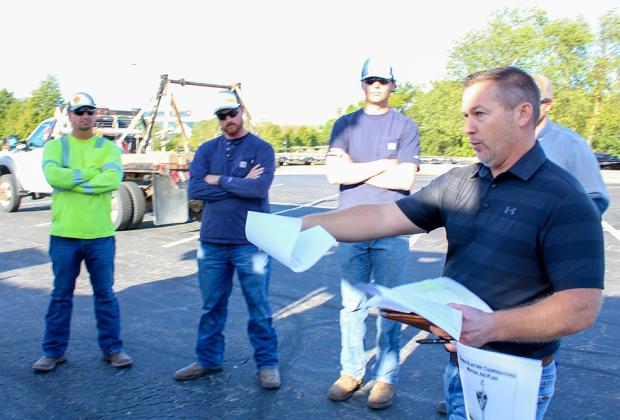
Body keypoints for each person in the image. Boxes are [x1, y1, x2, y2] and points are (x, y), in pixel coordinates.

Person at [302, 67, 604, 419]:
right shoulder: (460, 182)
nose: (467, 128)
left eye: (479, 114)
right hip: (460, 367)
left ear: (523, 113)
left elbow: (582, 306)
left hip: (513, 377)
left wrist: (491, 326)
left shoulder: (564, 198)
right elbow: (383, 217)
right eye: (466, 115)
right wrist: (305, 226)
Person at [324, 57, 420, 410]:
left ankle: (385, 377)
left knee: (391, 306)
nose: (376, 85)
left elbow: (405, 180)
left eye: (382, 80)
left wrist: (355, 171)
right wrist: (382, 166)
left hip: (391, 227)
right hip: (351, 228)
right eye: (370, 80)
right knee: (352, 306)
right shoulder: (345, 125)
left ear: (393, 84)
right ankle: (351, 371)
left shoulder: (405, 126)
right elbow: (335, 174)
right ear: (361, 84)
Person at [176, 90, 280, 389]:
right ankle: (208, 360)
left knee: (258, 308)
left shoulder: (262, 148)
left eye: (231, 113)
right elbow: (195, 189)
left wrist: (219, 179)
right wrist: (239, 183)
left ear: (241, 112)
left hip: (251, 241)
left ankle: (267, 364)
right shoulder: (207, 150)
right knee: (211, 306)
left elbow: (258, 189)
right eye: (222, 116)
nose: (228, 120)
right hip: (213, 242)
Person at [33, 92, 133, 372]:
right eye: (79, 112)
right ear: (70, 116)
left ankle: (113, 349)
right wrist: (92, 175)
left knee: (105, 294)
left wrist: (73, 180)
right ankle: (53, 352)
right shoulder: (56, 147)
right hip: (65, 235)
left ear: (95, 114)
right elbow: (53, 177)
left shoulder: (108, 148)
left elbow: (112, 180)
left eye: (89, 111)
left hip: (99, 235)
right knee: (61, 295)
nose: (85, 116)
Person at [532, 73, 609, 214]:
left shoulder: (572, 144)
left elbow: (596, 199)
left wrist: (562, 230)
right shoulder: (507, 140)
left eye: (534, 102)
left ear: (548, 105)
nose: (526, 108)